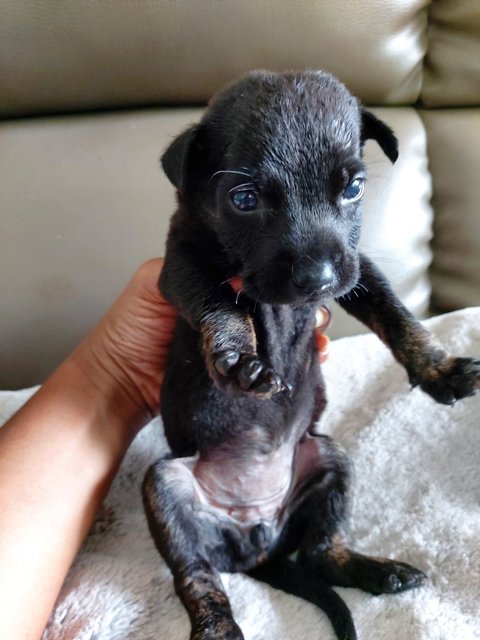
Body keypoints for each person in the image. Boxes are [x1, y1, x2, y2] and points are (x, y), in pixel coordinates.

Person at [0, 258, 330, 639]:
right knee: (166, 478)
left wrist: (115, 369)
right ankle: (209, 606)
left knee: (323, 452)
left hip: (281, 487)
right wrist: (117, 367)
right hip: (209, 491)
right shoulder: (194, 263)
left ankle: (327, 549)